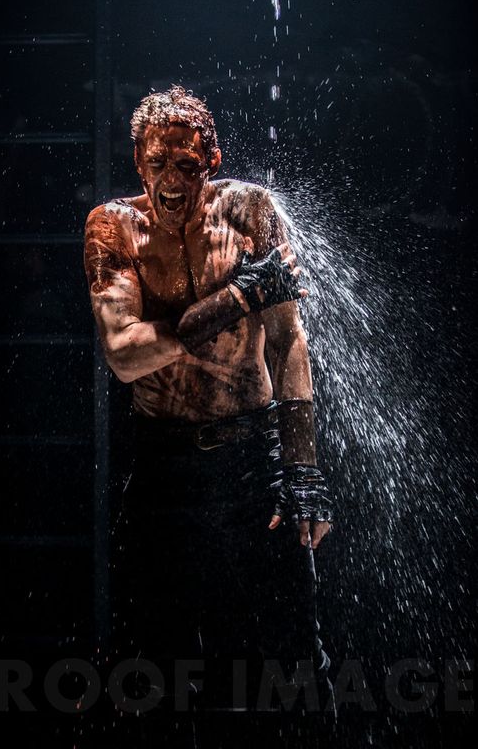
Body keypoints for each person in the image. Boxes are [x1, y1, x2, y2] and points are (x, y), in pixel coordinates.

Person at [84, 85, 334, 717]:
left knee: (290, 662)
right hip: (164, 469)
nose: (171, 180)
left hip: (254, 463)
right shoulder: (113, 227)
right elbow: (124, 353)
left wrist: (302, 469)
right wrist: (234, 299)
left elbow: (288, 341)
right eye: (157, 163)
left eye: (186, 164)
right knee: (152, 668)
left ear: (212, 159)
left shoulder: (250, 212)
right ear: (137, 161)